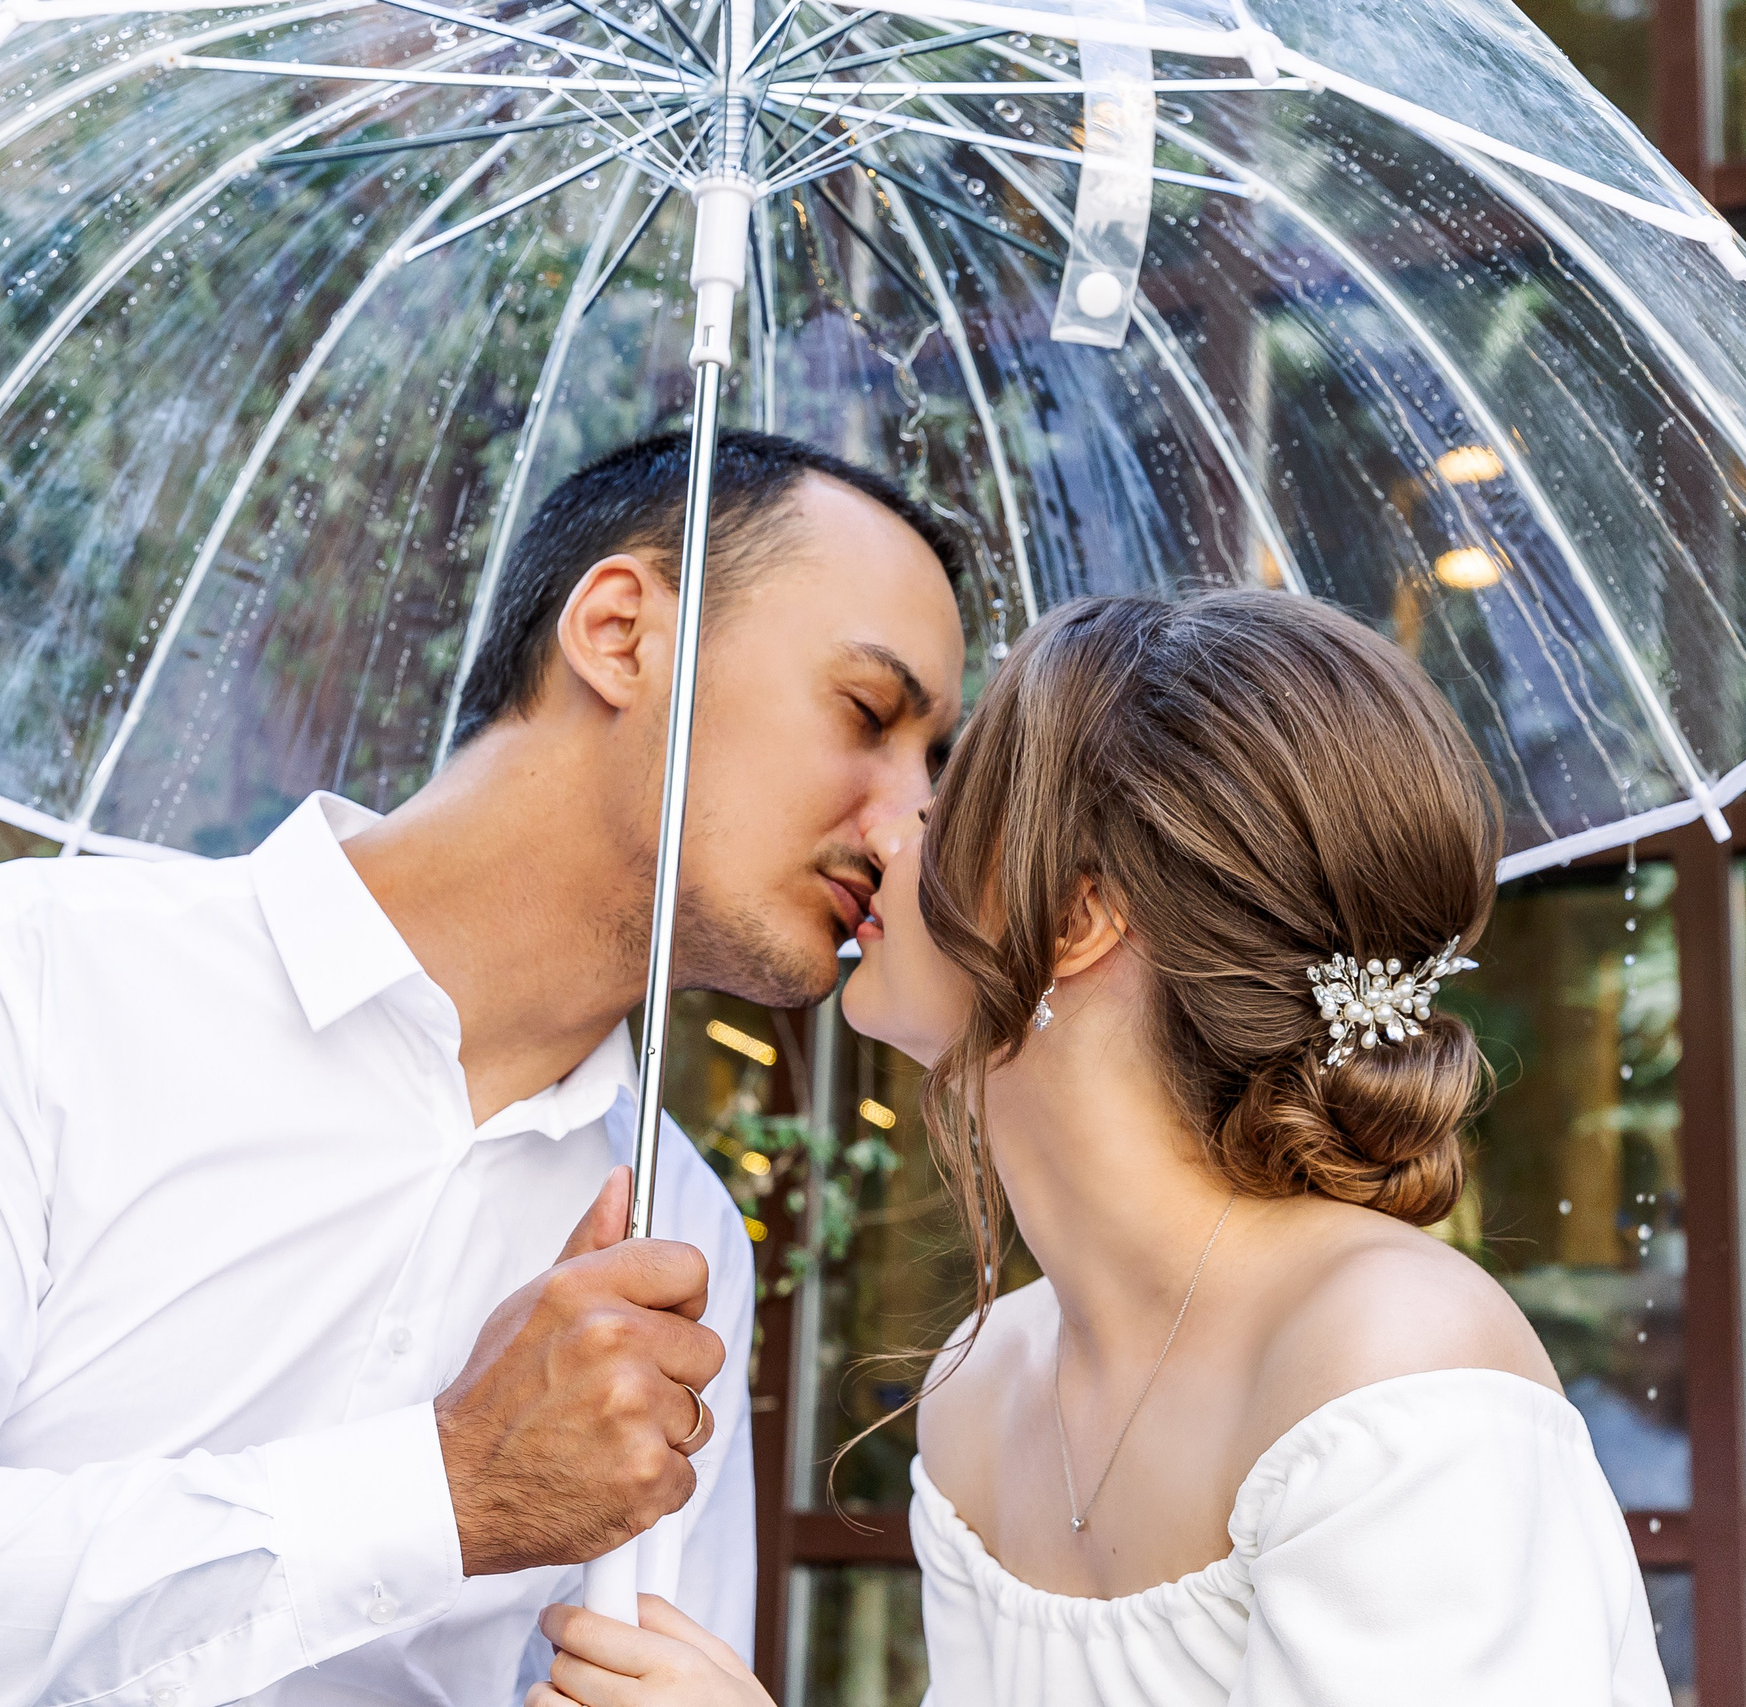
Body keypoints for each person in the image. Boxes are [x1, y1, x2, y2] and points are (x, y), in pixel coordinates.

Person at [0, 430, 967, 1707]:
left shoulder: (678, 1228)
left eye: (935, 764)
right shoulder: (20, 980)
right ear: (620, 631)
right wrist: (443, 1489)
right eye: (867, 713)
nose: (913, 820)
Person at [534, 591, 1669, 1705]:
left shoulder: (1390, 1361)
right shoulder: (985, 1392)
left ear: (1077, 917)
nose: (886, 829)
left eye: (951, 799)